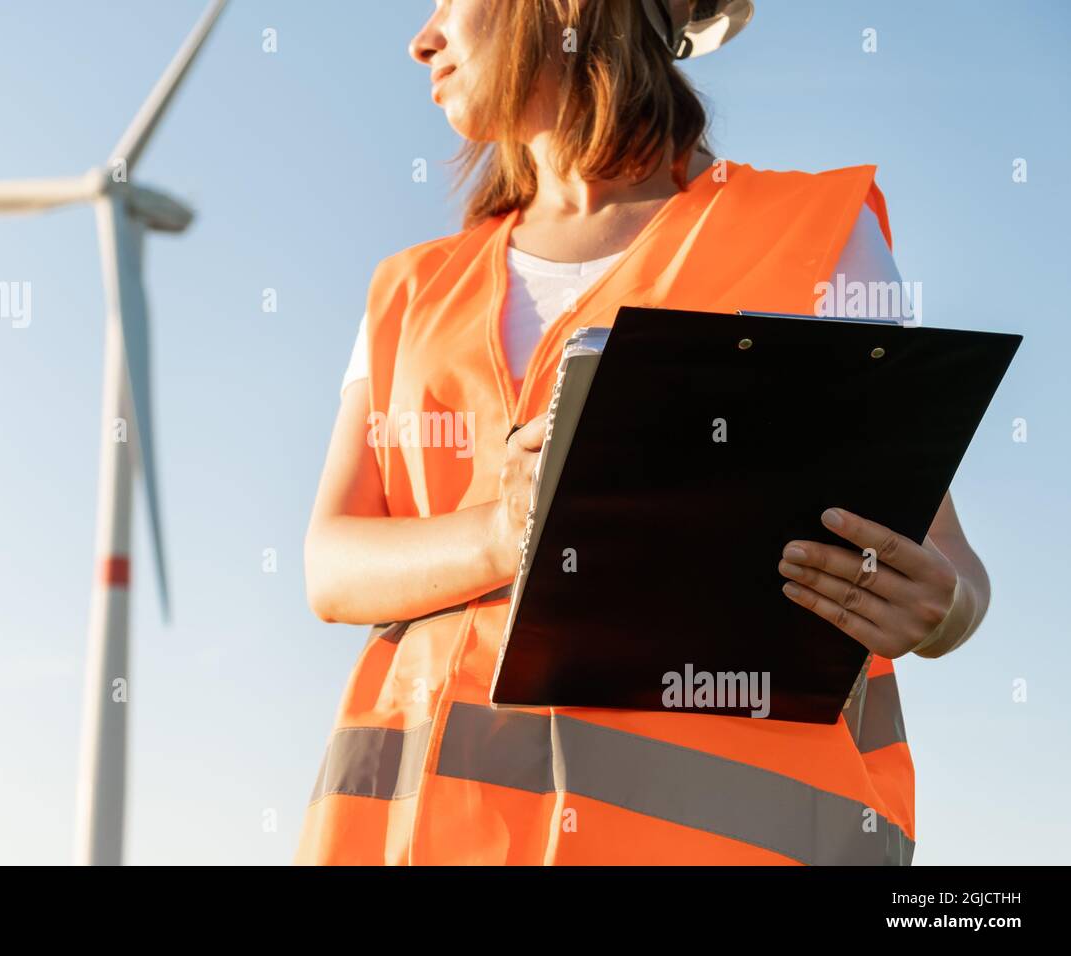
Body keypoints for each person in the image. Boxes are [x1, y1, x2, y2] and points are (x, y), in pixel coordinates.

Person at [295, 0, 990, 865]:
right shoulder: (409, 290)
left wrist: (943, 612)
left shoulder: (816, 237)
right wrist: (506, 535)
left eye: (449, 0)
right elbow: (331, 566)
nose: (422, 39)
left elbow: (947, 561)